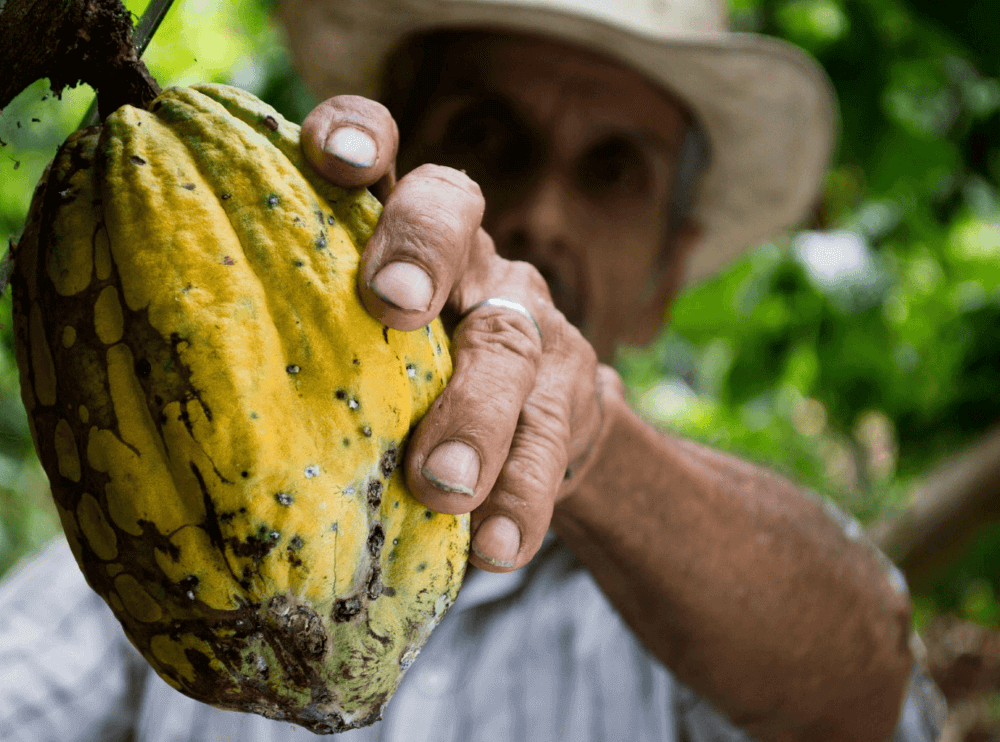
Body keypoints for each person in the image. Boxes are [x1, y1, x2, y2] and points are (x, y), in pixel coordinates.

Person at [0, 0, 945, 740]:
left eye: (614, 171)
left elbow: (866, 696)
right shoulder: (168, 506)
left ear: (669, 271)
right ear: (383, 165)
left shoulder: (694, 616)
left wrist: (592, 443)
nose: (544, 216)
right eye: (491, 137)